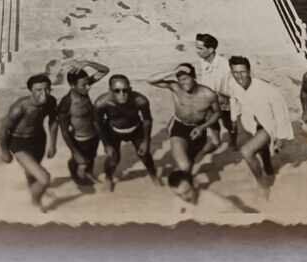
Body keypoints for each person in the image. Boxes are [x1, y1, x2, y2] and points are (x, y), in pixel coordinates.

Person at [223, 56, 295, 198]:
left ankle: (263, 185)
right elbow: (233, 99)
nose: (239, 76)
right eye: (235, 72)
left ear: (249, 71)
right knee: (262, 150)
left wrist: (280, 137)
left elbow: (281, 113)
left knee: (246, 152)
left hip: (268, 126)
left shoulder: (268, 90)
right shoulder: (232, 84)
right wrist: (233, 118)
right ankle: (268, 168)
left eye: (242, 72)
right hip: (250, 124)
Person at [147, 63, 221, 198]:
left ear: (194, 77)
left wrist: (202, 127)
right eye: (180, 79)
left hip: (199, 127)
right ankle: (184, 193)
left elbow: (217, 113)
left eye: (186, 78)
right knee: (184, 165)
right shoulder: (175, 87)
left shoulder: (208, 94)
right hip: (179, 127)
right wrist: (172, 71)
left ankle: (189, 186)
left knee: (191, 161)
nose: (183, 83)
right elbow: (151, 80)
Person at [0, 74, 59, 211]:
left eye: (47, 89)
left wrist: (53, 144)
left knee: (31, 172)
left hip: (38, 139)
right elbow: (4, 129)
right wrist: (4, 151)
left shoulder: (51, 101)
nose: (44, 93)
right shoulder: (20, 107)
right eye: (38, 90)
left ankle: (33, 190)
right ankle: (36, 200)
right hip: (19, 142)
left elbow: (53, 122)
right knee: (44, 178)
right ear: (31, 90)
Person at [94, 74, 159, 190]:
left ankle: (153, 175)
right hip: (114, 131)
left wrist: (146, 140)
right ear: (110, 91)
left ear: (130, 89)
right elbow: (98, 124)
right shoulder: (102, 102)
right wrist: (107, 144)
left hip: (135, 129)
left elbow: (147, 120)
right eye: (117, 91)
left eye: (125, 90)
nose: (122, 94)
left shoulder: (140, 100)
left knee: (145, 155)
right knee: (113, 158)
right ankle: (108, 178)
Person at [56, 60, 111, 186]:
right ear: (72, 86)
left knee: (91, 158)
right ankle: (76, 173)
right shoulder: (66, 103)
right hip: (80, 139)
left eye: (88, 84)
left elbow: (105, 70)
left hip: (94, 134)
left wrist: (87, 63)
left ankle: (88, 174)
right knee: (81, 161)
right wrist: (75, 152)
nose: (88, 87)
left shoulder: (83, 87)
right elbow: (64, 131)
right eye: (83, 85)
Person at [195, 33, 237, 148]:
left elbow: (234, 87)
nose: (197, 51)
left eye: (200, 48)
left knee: (228, 123)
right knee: (211, 120)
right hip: (209, 100)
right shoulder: (202, 61)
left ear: (210, 50)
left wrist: (224, 96)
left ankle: (233, 140)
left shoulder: (225, 65)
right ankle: (216, 141)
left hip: (225, 101)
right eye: (196, 47)